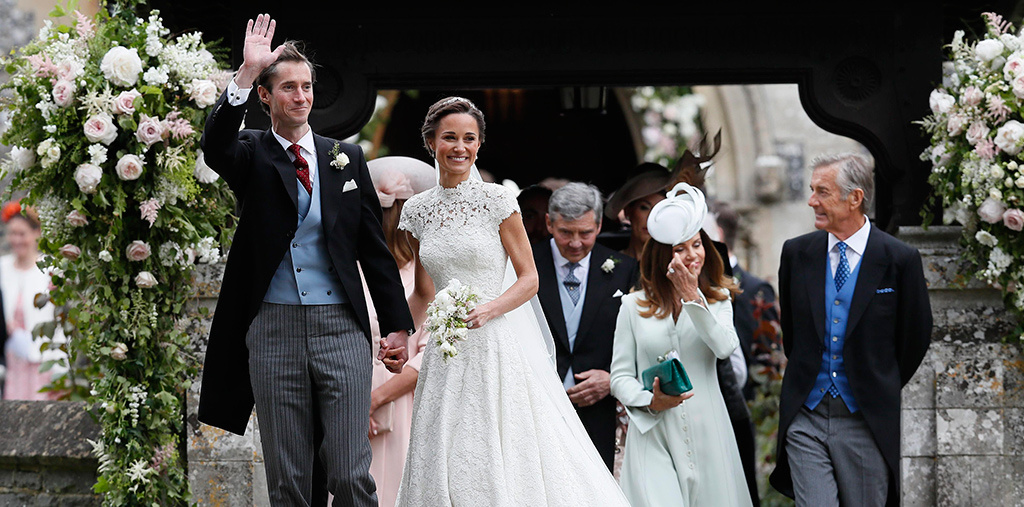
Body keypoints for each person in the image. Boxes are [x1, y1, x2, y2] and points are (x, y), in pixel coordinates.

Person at [197, 15, 414, 505]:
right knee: (289, 480)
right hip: (273, 329)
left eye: (307, 86)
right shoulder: (250, 152)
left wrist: (397, 325)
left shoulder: (346, 157)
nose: (301, 96)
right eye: (288, 87)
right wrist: (246, 73)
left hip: (341, 327)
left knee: (349, 472)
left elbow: (372, 250)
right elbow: (215, 146)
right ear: (267, 98)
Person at [394, 97, 629, 506]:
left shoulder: (499, 202)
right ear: (431, 142)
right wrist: (401, 332)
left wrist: (489, 308)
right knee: (443, 448)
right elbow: (424, 292)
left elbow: (529, 279)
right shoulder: (417, 210)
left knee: (501, 447)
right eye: (450, 137)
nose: (460, 147)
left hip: (495, 345)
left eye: (469, 138)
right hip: (445, 355)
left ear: (480, 144)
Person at [769, 154, 932, 506]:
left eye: (822, 192)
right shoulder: (796, 254)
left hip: (865, 421)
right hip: (806, 417)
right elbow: (793, 335)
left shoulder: (899, 259)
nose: (812, 201)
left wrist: (874, 381)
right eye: (812, 190)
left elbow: (915, 338)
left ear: (855, 198)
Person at [610, 182, 752, 507]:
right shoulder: (632, 306)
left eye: (698, 244)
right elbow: (619, 377)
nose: (692, 255)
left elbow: (724, 347)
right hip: (653, 435)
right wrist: (650, 400)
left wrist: (693, 298)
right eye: (680, 249)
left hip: (709, 432)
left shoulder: (718, 300)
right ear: (662, 256)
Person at [532, 182, 638, 470]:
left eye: (586, 233)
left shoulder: (625, 269)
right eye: (566, 232)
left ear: (600, 224)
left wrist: (612, 378)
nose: (576, 243)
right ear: (549, 223)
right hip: (537, 406)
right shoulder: (525, 264)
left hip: (598, 409)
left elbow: (639, 340)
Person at [364, 156, 434, 507]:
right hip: (352, 398)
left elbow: (428, 355)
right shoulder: (355, 272)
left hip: (405, 404)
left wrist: (374, 401)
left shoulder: (425, 277)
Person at [1, 202, 57, 401]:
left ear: (36, 233)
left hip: (43, 360)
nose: (17, 240)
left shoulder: (50, 269)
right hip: (12, 360)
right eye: (12, 233)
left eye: (22, 234)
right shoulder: (2, 268)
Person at [604, 162, 674, 259]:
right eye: (644, 208)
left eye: (661, 209)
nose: (652, 218)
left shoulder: (677, 265)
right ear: (627, 210)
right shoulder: (607, 262)